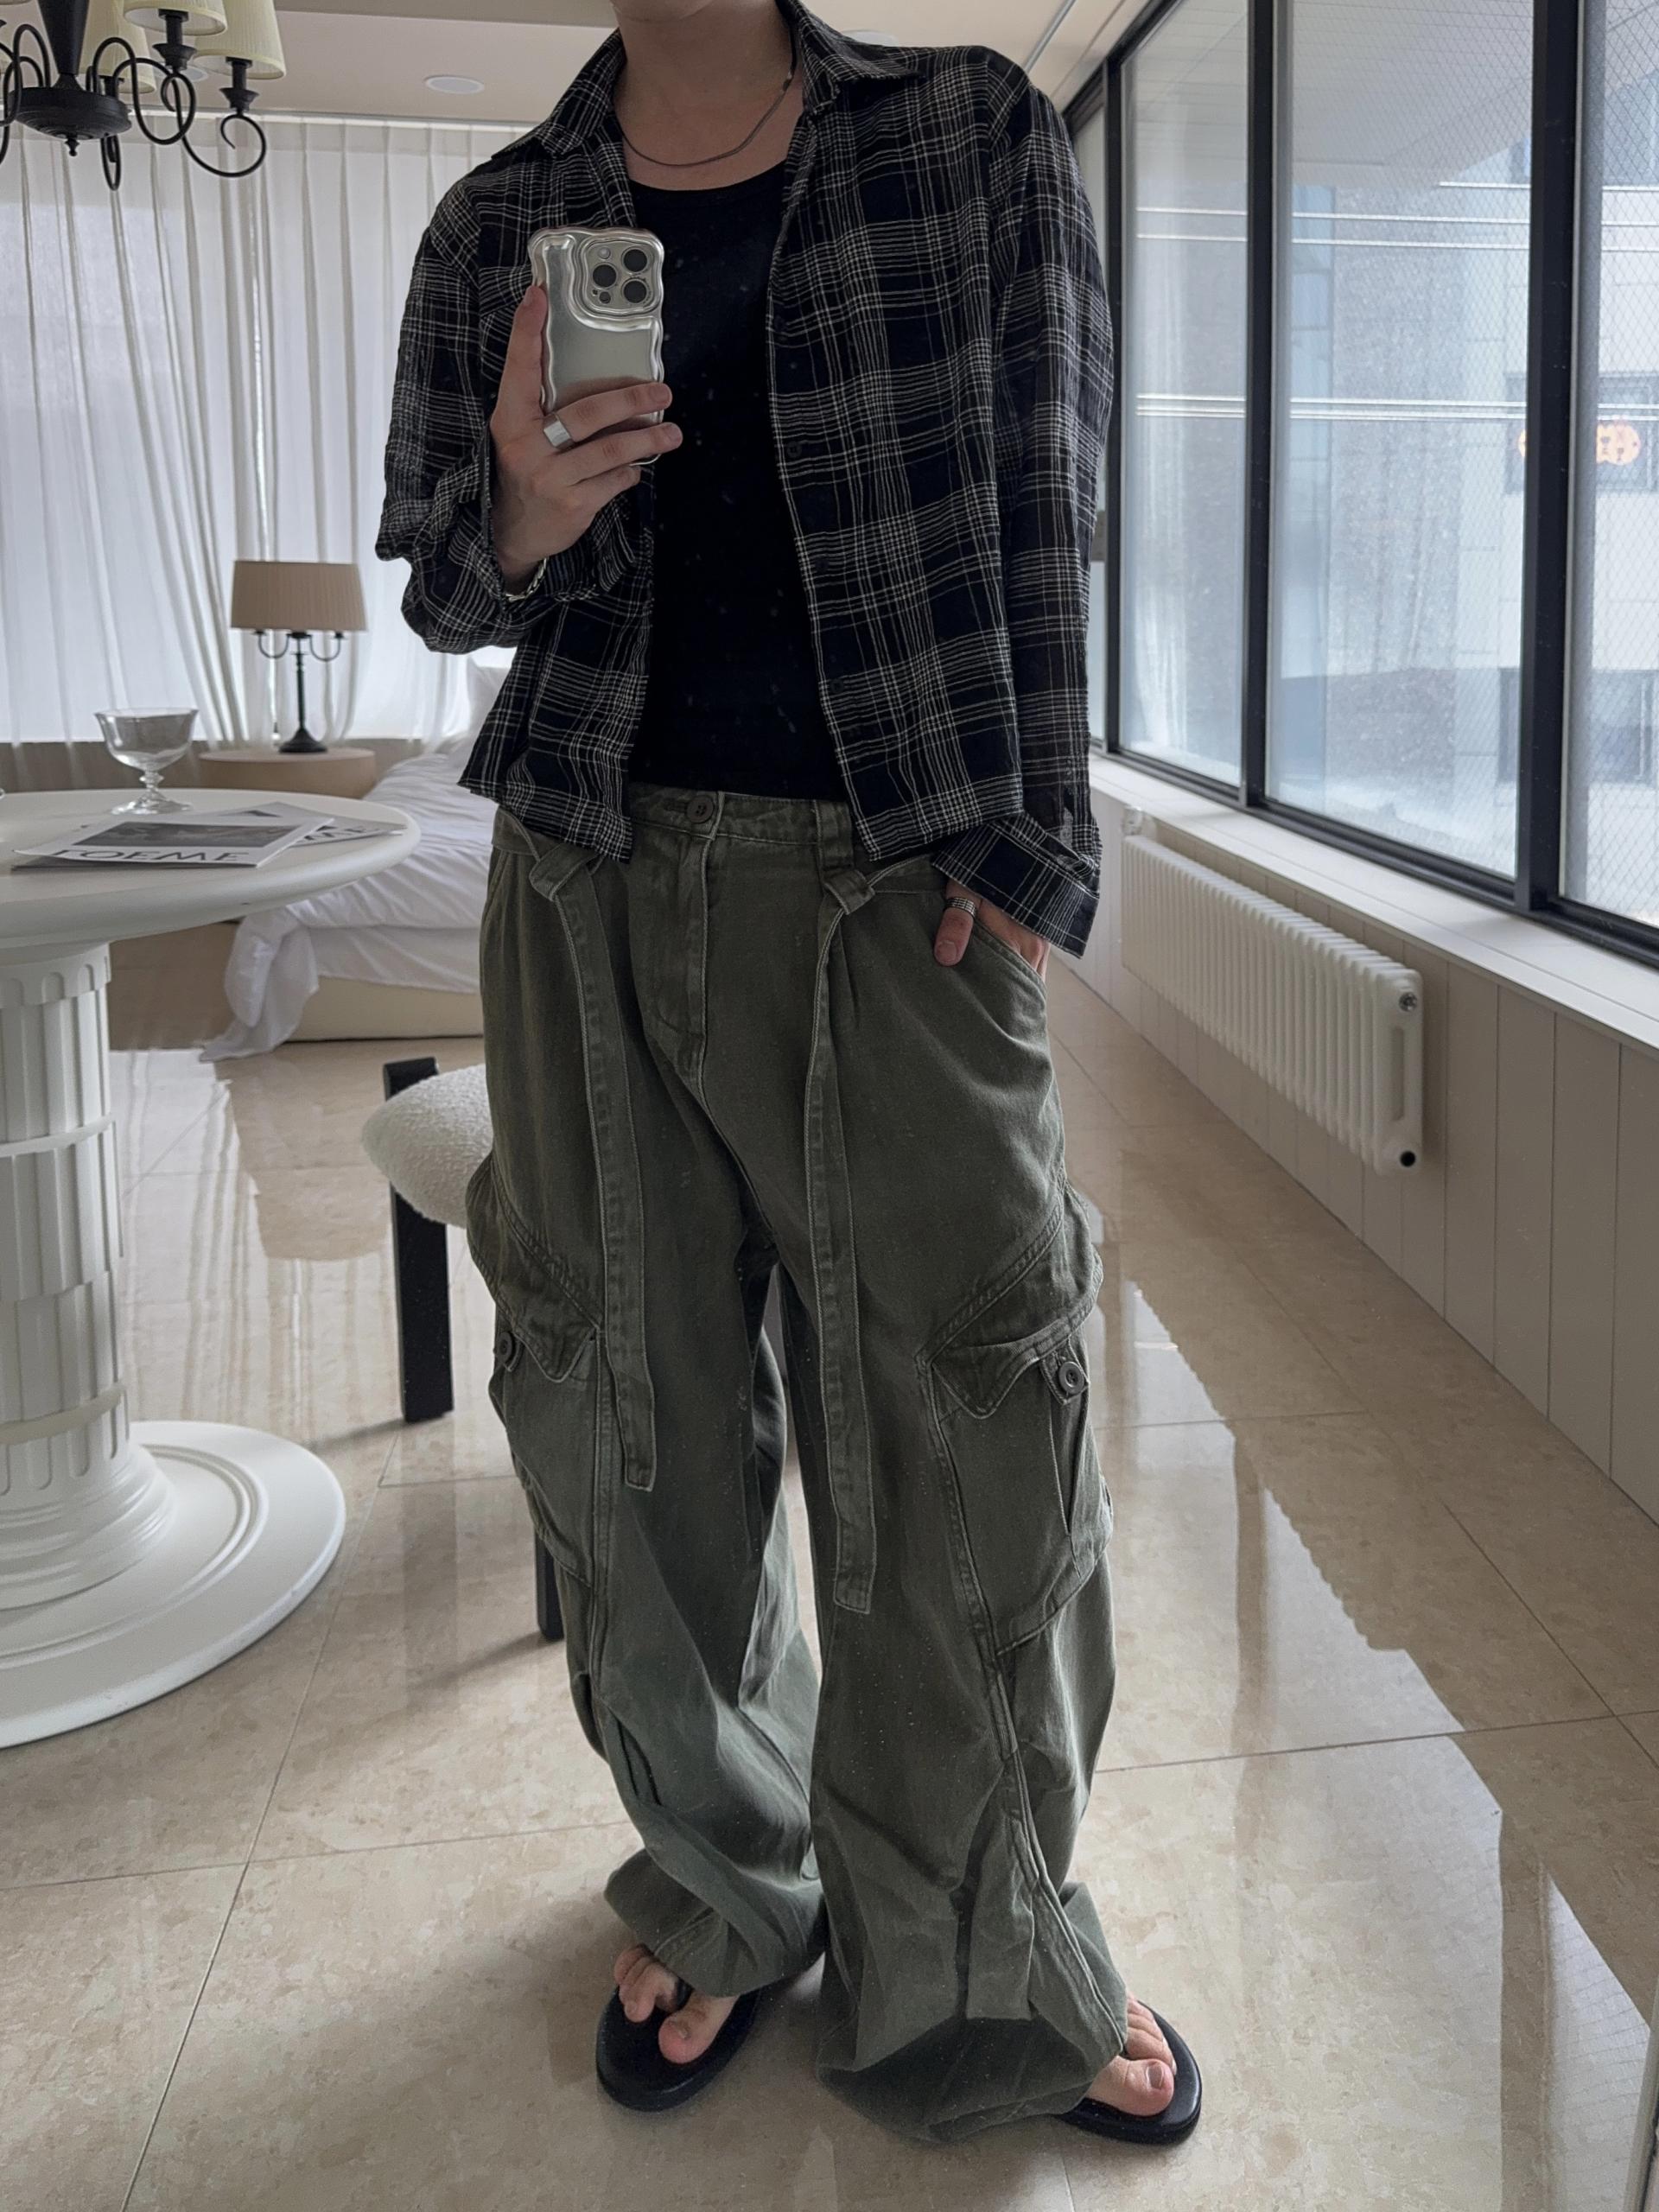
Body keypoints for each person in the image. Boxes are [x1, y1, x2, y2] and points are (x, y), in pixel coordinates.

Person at [377, 0, 1200, 2151]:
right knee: (625, 1416)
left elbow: (1051, 499)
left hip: (905, 885)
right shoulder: (497, 222)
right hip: (585, 875)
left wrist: (1037, 830)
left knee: (968, 1416)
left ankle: (990, 1942)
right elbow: (442, 589)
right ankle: (732, 1879)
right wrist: (520, 505)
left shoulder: (974, 139)